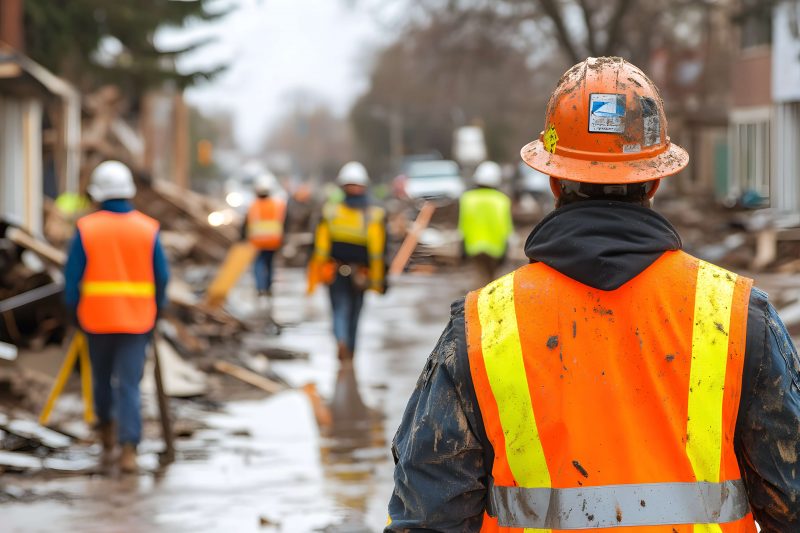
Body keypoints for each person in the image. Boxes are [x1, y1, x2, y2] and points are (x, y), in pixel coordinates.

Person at [386, 57, 799, 531]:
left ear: (553, 179)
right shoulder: (738, 315)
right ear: (657, 179)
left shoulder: (485, 326)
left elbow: (426, 515)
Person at [64, 160, 170, 474]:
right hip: (138, 320)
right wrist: (158, 309)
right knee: (129, 385)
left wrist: (72, 312)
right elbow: (162, 277)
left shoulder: (86, 228)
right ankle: (128, 450)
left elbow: (71, 280)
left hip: (96, 319)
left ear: (97, 193)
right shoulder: (147, 228)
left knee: (101, 381)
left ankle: (107, 436)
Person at [308, 162, 387, 361]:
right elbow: (377, 253)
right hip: (361, 273)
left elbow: (320, 248)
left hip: (335, 271)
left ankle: (341, 340)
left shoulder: (331, 211)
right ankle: (350, 349)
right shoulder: (373, 215)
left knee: (339, 310)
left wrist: (314, 277)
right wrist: (379, 282)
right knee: (355, 312)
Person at [458, 161, 513, 286]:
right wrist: (506, 249)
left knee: (480, 280)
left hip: (474, 247)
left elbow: (463, 225)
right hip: (496, 249)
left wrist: (462, 248)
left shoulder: (467, 198)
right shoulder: (501, 200)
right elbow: (506, 227)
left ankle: (478, 303)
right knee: (494, 282)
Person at [242, 172, 286, 306]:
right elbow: (284, 223)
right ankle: (267, 287)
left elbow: (245, 224)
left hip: (257, 241)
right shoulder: (277, 205)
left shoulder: (253, 206)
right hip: (273, 241)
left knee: (258, 264)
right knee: (269, 264)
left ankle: (260, 287)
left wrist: (243, 238)